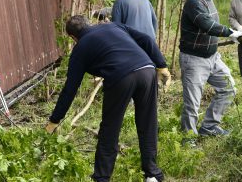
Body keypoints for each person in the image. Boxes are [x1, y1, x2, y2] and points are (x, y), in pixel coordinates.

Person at [45, 15, 171, 182]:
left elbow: (70, 89)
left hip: (121, 77)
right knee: (148, 123)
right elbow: (147, 39)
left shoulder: (80, 48)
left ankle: (102, 178)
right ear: (89, 24)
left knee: (110, 129)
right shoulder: (113, 26)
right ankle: (152, 174)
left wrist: (55, 119)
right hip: (147, 70)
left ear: (73, 37)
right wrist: (161, 65)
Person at [179, 0, 242, 137]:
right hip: (194, 59)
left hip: (212, 58)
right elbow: (207, 25)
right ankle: (188, 138)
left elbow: (211, 25)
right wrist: (229, 32)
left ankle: (209, 127)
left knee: (228, 88)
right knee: (192, 103)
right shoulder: (194, 2)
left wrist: (233, 34)